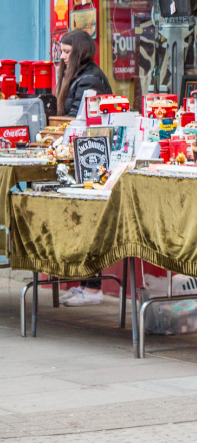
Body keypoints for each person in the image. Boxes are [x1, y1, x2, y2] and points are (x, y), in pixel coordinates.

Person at [53, 29, 114, 306]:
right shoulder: (80, 75)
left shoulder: (90, 80)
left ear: (79, 52)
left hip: (91, 158)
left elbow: (79, 122)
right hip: (82, 156)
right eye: (61, 51)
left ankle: (92, 288)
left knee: (89, 222)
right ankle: (84, 284)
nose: (62, 58)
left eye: (66, 52)